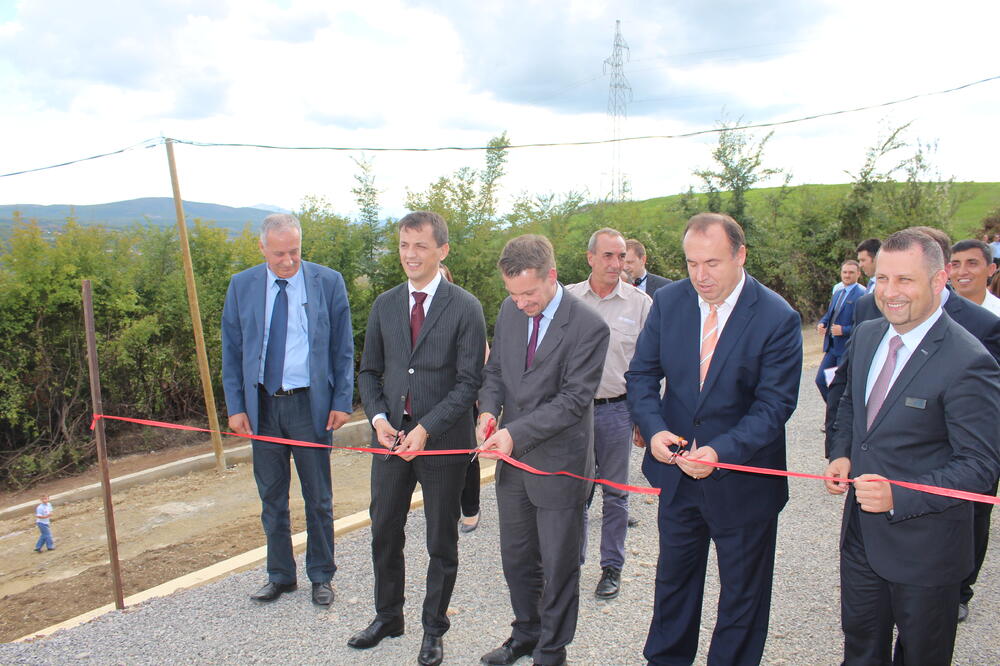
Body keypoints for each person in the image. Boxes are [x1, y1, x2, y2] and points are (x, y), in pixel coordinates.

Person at [626, 212, 802, 666]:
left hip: (744, 483)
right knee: (673, 584)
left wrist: (722, 451)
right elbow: (643, 374)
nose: (700, 276)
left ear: (741, 255)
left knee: (743, 595)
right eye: (691, 264)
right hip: (679, 478)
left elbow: (774, 407)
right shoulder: (669, 303)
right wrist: (655, 426)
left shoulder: (777, 318)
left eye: (712, 263)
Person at [825, 229, 1000, 664]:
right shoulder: (866, 335)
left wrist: (899, 494)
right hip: (862, 540)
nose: (890, 292)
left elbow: (980, 466)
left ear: (939, 281)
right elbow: (849, 403)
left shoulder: (968, 360)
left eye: (905, 280)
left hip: (928, 549)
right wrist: (841, 451)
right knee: (861, 651)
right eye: (882, 279)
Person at [353, 211, 486, 666]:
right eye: (404, 245)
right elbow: (369, 371)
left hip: (443, 441)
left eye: (421, 246)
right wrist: (377, 419)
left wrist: (426, 429)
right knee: (384, 530)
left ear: (442, 251)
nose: (410, 255)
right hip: (390, 441)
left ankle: (434, 629)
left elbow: (470, 382)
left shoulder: (465, 306)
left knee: (440, 541)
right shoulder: (386, 304)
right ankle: (388, 616)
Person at [477, 234, 610, 666]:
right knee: (517, 558)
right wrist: (488, 411)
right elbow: (494, 370)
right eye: (513, 294)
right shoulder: (509, 309)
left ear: (551, 276)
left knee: (558, 565)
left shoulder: (589, 326)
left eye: (529, 293)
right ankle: (526, 633)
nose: (521, 303)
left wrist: (515, 434)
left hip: (559, 466)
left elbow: (573, 400)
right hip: (513, 465)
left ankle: (552, 650)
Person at [221, 213, 354, 607]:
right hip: (262, 406)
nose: (287, 261)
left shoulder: (327, 282)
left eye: (294, 251)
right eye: (279, 253)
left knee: (319, 498)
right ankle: (280, 575)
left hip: (309, 406)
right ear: (262, 248)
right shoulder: (242, 286)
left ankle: (321, 576)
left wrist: (342, 401)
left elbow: (343, 349)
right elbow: (231, 351)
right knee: (272, 498)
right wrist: (236, 406)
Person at [565, 228, 651, 601]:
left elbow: (650, 367)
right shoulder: (566, 299)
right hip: (571, 414)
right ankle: (571, 564)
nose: (616, 264)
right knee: (574, 493)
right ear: (590, 258)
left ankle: (611, 567)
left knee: (616, 495)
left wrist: (645, 420)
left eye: (621, 256)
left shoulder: (640, 304)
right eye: (608, 256)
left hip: (617, 411)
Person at [438, 264, 487, 534]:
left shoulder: (466, 311)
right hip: (432, 399)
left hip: (462, 395)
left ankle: (470, 508)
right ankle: (446, 505)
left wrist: (481, 396)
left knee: (467, 455)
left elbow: (484, 354)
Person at [815, 260, 865, 401]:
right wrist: (822, 323)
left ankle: (837, 415)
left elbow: (864, 325)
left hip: (846, 349)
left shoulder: (862, 295)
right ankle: (834, 411)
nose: (847, 275)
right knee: (821, 380)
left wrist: (844, 330)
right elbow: (830, 314)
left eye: (851, 272)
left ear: (858, 274)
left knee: (840, 385)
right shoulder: (838, 292)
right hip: (831, 348)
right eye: (844, 272)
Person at [951, 239, 1000, 316]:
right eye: (955, 265)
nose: (962, 272)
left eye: (972, 264)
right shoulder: (934, 311)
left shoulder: (997, 313)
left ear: (991, 269)